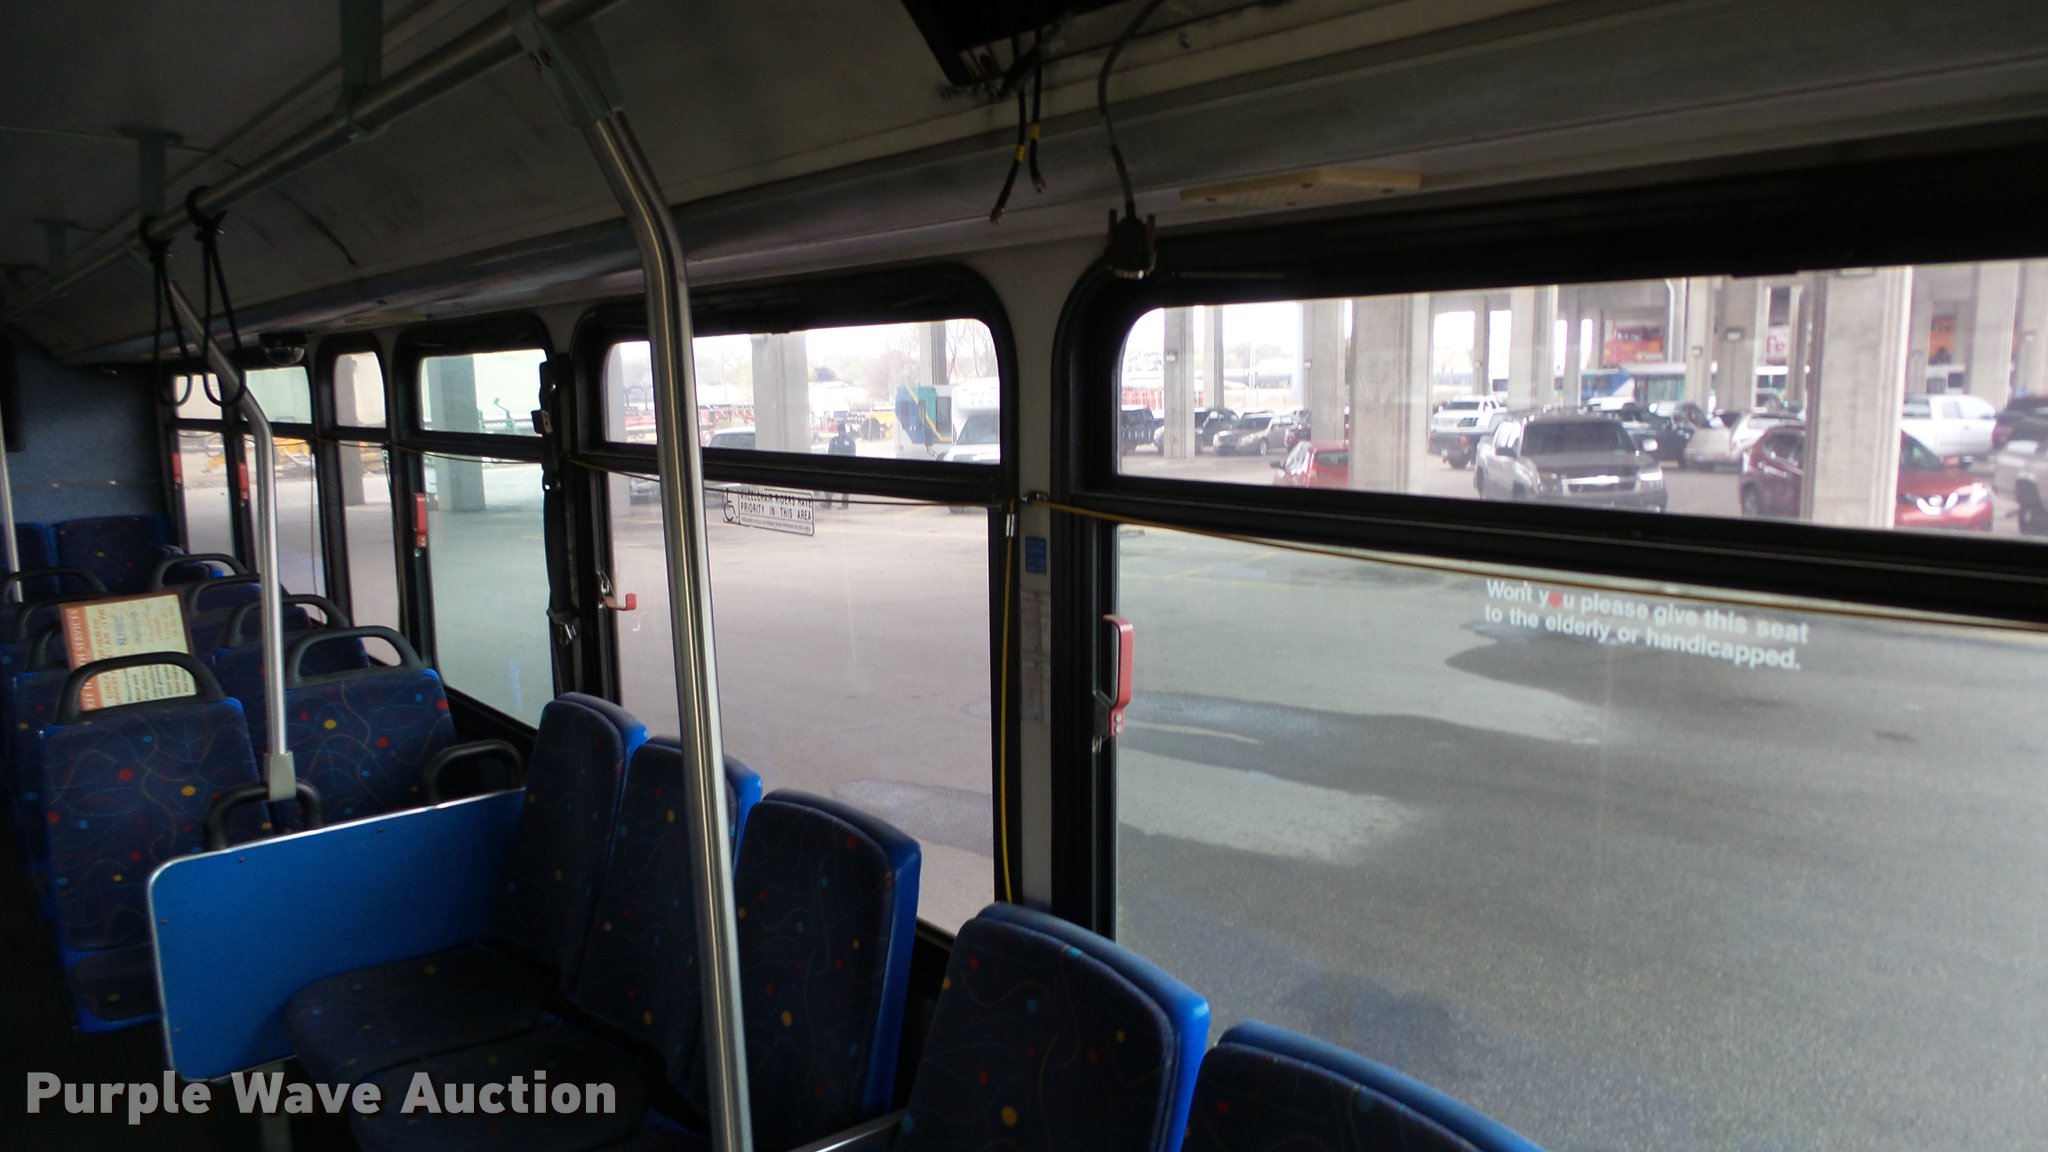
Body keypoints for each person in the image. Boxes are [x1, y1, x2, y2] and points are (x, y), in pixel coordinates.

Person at [827, 421, 856, 507]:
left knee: (845, 485)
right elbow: (829, 453)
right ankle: (828, 502)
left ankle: (845, 504)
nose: (841, 432)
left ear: (845, 431)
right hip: (834, 467)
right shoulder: (833, 440)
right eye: (839, 430)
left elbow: (852, 454)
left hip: (845, 467)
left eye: (842, 430)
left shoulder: (850, 441)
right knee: (829, 484)